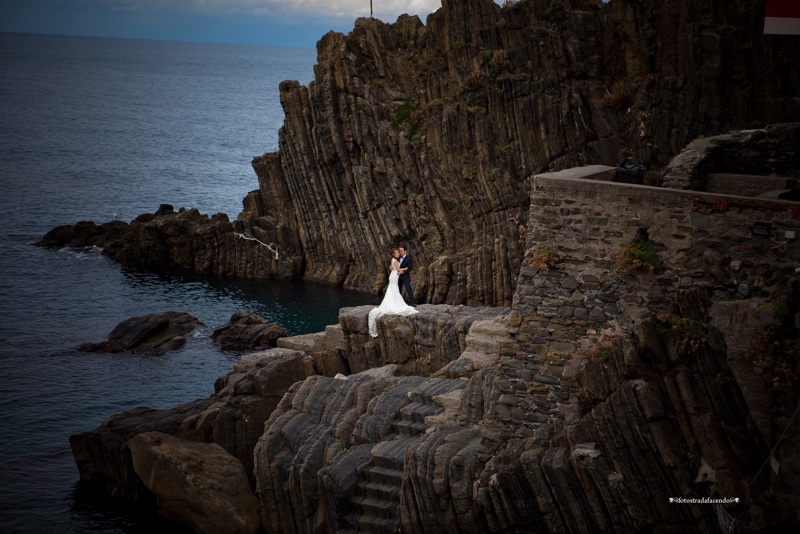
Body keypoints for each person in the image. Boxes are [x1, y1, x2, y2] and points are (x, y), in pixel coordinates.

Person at [368, 248, 418, 337]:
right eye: (397, 252)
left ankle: (412, 302)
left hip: (400, 276)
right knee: (395, 289)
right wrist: (400, 268)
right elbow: (397, 268)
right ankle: (396, 303)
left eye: (400, 252)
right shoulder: (395, 260)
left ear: (405, 251)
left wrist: (400, 268)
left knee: (398, 289)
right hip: (396, 276)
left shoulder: (406, 259)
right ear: (393, 254)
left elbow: (406, 268)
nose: (399, 253)